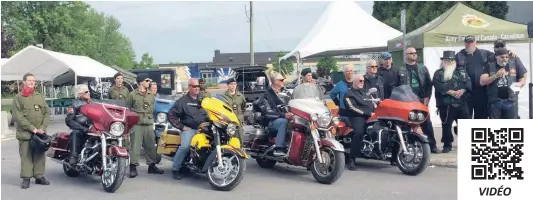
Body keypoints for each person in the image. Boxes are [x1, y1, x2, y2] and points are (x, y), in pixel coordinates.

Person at [11, 73, 51, 189]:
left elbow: (47, 113)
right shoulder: (18, 98)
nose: (32, 82)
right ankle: (26, 178)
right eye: (29, 80)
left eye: (33, 80)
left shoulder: (39, 96)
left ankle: (39, 176)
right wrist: (32, 129)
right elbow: (18, 117)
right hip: (26, 133)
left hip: (40, 133)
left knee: (39, 155)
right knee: (26, 156)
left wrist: (42, 128)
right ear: (23, 82)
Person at [399, 47, 440, 153]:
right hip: (407, 100)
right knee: (408, 123)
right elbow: (397, 85)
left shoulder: (423, 68)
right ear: (406, 55)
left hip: (421, 100)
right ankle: (410, 146)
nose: (414, 55)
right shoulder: (401, 69)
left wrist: (427, 98)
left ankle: (432, 146)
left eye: (415, 53)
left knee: (427, 122)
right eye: (411, 53)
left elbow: (428, 84)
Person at [125, 73, 164, 178]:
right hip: (137, 123)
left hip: (148, 123)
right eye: (147, 81)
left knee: (150, 145)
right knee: (135, 146)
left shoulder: (151, 95)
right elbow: (127, 110)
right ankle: (133, 167)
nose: (149, 83)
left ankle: (152, 166)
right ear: (141, 82)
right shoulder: (132, 95)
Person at [168, 78, 208, 180]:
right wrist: (182, 127)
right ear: (189, 87)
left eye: (198, 86)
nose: (197, 88)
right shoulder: (182, 101)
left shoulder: (204, 99)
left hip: (204, 129)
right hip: (190, 129)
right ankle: (175, 168)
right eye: (194, 86)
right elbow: (171, 115)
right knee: (185, 146)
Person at [432, 51, 471, 153]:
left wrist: (462, 91)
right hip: (446, 104)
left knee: (465, 125)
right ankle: (447, 144)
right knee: (446, 125)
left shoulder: (462, 72)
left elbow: (468, 84)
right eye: (447, 60)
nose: (449, 62)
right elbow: (438, 85)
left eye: (452, 60)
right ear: (443, 61)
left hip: (461, 103)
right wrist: (451, 92)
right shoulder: (438, 73)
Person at [480, 48, 528, 119]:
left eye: (506, 57)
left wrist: (520, 84)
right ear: (496, 57)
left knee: (511, 126)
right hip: (495, 102)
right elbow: (482, 82)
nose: (505, 59)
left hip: (511, 101)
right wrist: (496, 75)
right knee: (496, 126)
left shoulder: (513, 65)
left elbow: (523, 79)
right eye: (502, 57)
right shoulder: (490, 66)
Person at [455, 36, 492, 119]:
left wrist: (509, 52)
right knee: (465, 118)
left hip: (482, 92)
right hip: (466, 93)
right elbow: (451, 68)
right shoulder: (459, 55)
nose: (469, 44)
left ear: (475, 43)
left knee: (481, 118)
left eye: (471, 42)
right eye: (467, 42)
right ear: (464, 44)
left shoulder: (484, 53)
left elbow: (499, 56)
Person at [257, 72, 294, 156]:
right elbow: (267, 113)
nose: (283, 81)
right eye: (282, 80)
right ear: (276, 82)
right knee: (283, 122)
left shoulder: (286, 93)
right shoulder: (267, 95)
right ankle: (278, 148)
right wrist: (283, 115)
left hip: (286, 118)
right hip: (271, 123)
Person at [344, 74, 374, 171]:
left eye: (363, 81)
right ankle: (351, 159)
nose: (362, 82)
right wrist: (368, 113)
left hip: (372, 116)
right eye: (360, 81)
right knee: (358, 133)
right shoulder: (349, 93)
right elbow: (352, 108)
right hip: (357, 117)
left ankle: (393, 157)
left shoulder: (366, 92)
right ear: (354, 82)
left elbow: (374, 102)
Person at [65, 84, 93, 165]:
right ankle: (73, 156)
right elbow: (69, 120)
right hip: (82, 128)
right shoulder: (74, 104)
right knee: (75, 133)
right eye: (86, 92)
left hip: (95, 127)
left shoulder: (94, 103)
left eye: (89, 91)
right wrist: (82, 128)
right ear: (80, 94)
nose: (89, 93)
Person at [222, 78, 246, 143]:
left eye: (235, 84)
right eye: (231, 84)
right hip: (228, 122)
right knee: (228, 141)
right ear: (227, 85)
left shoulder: (240, 96)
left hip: (238, 122)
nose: (233, 86)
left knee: (240, 140)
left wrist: (241, 117)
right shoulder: (223, 96)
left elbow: (243, 108)